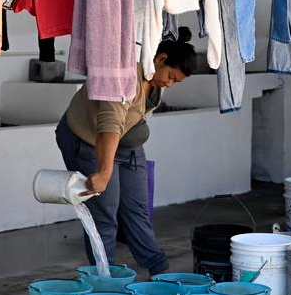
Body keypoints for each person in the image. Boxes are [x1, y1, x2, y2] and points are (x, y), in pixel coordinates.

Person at [55, 27, 197, 276]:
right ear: (160, 58)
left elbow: (131, 119)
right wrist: (104, 171)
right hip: (87, 141)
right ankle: (105, 280)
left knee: (137, 211)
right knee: (104, 215)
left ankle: (159, 269)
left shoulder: (154, 76)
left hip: (128, 149)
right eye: (171, 77)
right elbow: (109, 126)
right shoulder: (124, 76)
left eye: (176, 81)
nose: (170, 84)